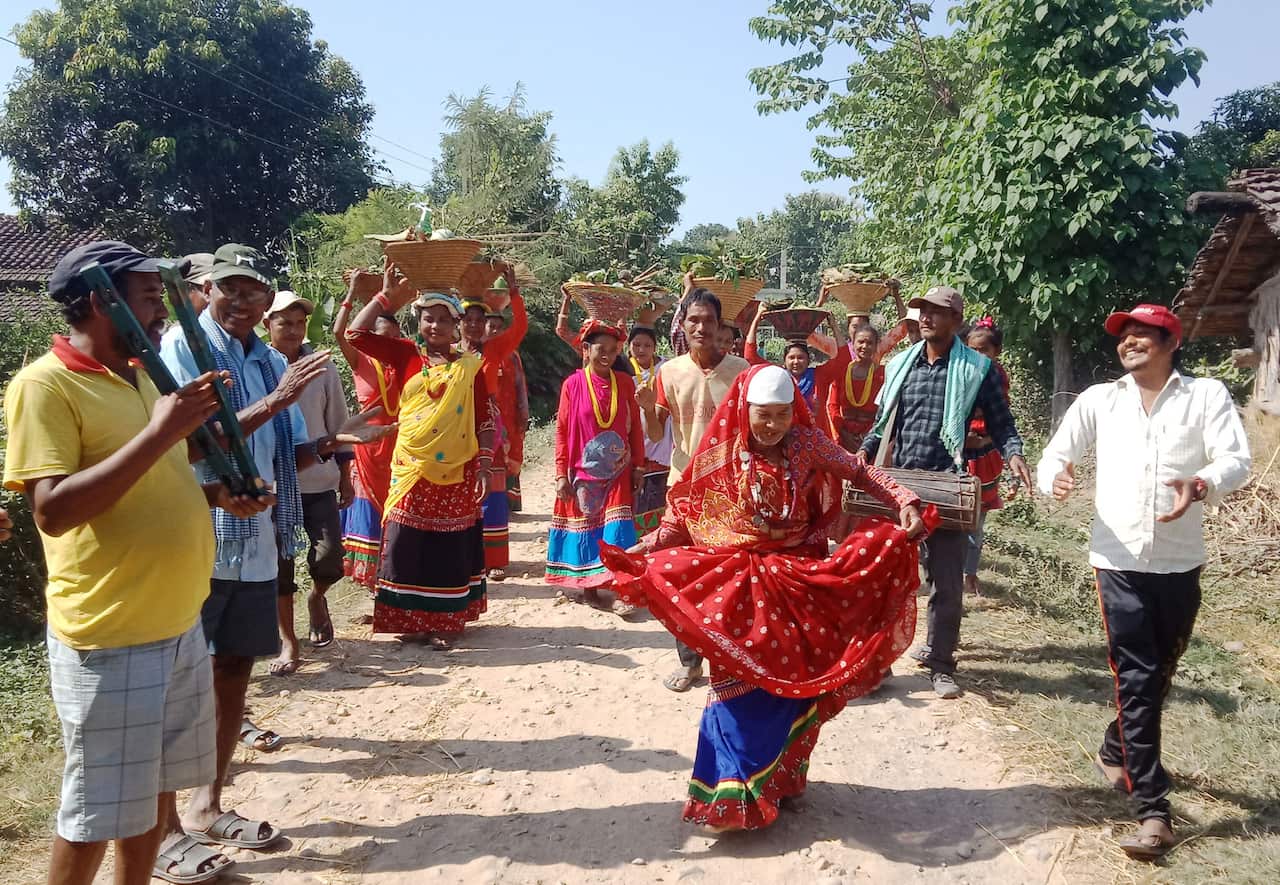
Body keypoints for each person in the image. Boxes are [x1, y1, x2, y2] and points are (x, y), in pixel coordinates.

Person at [4, 241, 273, 885]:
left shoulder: (143, 376)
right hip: (112, 633)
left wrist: (220, 495)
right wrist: (161, 431)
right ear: (103, 302)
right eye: (151, 296)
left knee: (153, 797)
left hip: (178, 622)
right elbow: (52, 511)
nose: (164, 312)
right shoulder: (44, 385)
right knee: (97, 814)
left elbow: (163, 476)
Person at [601, 365, 926, 832]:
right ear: (744, 410)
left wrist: (904, 500)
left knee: (793, 686)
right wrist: (647, 547)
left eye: (781, 415)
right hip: (738, 587)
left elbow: (858, 469)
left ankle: (784, 780)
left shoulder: (808, 446)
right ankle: (731, 793)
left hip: (797, 583)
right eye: (762, 415)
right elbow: (684, 513)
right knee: (735, 690)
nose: (772, 425)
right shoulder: (721, 457)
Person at [161, 243, 387, 852]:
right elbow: (191, 441)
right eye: (227, 287)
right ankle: (166, 826)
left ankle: (208, 803)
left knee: (234, 666)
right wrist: (278, 401)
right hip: (200, 535)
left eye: (251, 289)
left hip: (258, 536)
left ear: (265, 299)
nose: (239, 299)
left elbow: (289, 447)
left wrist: (346, 440)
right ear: (207, 290)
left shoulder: (264, 360)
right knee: (186, 676)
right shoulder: (184, 346)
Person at [1036, 303, 1250, 859]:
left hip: (1181, 563)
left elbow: (1237, 460)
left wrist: (1201, 483)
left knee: (1160, 671)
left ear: (1169, 341)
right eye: (1123, 337)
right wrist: (1053, 475)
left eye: (1141, 336)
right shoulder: (1100, 401)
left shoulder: (1206, 397)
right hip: (1118, 561)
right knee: (1137, 675)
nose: (1129, 343)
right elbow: (1056, 452)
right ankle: (1153, 810)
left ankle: (1116, 745)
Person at [860, 285, 1032, 699]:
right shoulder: (900, 364)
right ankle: (877, 664)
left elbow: (1002, 422)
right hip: (900, 484)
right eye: (922, 310)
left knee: (947, 581)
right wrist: (864, 453)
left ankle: (940, 664)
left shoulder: (978, 369)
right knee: (886, 578)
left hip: (949, 486)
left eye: (936, 312)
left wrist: (1013, 453)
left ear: (955, 320)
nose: (925, 317)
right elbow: (884, 424)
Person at [345, 261, 496, 646]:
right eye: (428, 319)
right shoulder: (405, 355)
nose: (436, 328)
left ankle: (444, 622)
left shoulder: (469, 367)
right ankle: (409, 619)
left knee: (448, 543)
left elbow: (484, 419)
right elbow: (355, 333)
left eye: (444, 321)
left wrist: (483, 465)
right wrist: (385, 296)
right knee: (404, 539)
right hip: (412, 465)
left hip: (458, 469)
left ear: (456, 326)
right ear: (419, 322)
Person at [639, 288, 750, 692]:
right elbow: (656, 432)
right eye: (694, 321)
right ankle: (689, 663)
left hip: (729, 494)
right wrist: (649, 407)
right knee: (681, 579)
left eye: (709, 321)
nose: (701, 328)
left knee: (728, 580)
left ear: (721, 326)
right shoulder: (668, 373)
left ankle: (731, 659)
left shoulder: (742, 372)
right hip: (682, 490)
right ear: (682, 327)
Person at [264, 292, 355, 674]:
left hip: (318, 477)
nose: (294, 330)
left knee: (330, 557)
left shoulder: (323, 367)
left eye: (300, 323)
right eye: (285, 322)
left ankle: (318, 597)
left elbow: (338, 419)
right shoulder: (259, 365)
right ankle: (289, 643)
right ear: (267, 324)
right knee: (280, 567)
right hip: (272, 484)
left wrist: (347, 476)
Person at [546, 320, 646, 606]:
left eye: (613, 351)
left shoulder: (625, 383)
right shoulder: (573, 384)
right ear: (586, 349)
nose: (607, 355)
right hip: (582, 472)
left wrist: (638, 466)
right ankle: (589, 588)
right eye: (601, 349)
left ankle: (617, 587)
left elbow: (635, 429)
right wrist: (560, 474)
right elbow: (563, 429)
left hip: (617, 470)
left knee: (616, 530)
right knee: (588, 527)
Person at [333, 270, 403, 590]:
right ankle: (370, 576)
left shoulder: (403, 364)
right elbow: (340, 332)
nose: (387, 343)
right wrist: (352, 293)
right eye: (382, 337)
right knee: (368, 506)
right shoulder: (361, 361)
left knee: (396, 505)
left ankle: (393, 569)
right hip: (366, 447)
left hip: (398, 442)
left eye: (393, 338)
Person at [462, 270, 528, 582]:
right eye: (467, 319)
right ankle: (465, 556)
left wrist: (514, 293)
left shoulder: (495, 349)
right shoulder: (447, 352)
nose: (473, 325)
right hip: (455, 426)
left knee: (494, 490)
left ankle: (496, 559)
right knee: (461, 491)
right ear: (458, 322)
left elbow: (521, 327)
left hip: (489, 426)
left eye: (479, 319)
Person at [961, 317, 1012, 595]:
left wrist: (987, 436)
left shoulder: (997, 376)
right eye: (973, 349)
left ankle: (969, 573)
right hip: (958, 451)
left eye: (984, 350)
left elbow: (1001, 416)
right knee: (952, 514)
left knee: (976, 519)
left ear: (996, 351)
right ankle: (947, 569)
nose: (978, 355)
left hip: (985, 454)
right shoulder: (959, 371)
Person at [742, 308, 848, 412]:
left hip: (817, 429)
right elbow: (750, 357)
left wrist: (834, 327)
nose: (796, 362)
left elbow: (843, 359)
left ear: (809, 360)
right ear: (784, 360)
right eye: (791, 358)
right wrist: (756, 319)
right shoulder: (777, 376)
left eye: (801, 358)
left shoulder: (819, 376)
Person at [627, 325, 674, 535]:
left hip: (661, 444)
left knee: (656, 501)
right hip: (633, 442)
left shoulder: (666, 369)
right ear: (628, 347)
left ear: (655, 347)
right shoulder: (621, 371)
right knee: (633, 501)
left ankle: (653, 546)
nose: (641, 350)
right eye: (636, 345)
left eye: (647, 345)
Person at [486, 310, 531, 514]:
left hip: (509, 416)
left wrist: (524, 414)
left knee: (510, 456)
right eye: (490, 326)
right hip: (486, 417)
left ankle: (508, 503)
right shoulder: (475, 353)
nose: (495, 330)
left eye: (498, 327)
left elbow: (520, 385)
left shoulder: (512, 354)